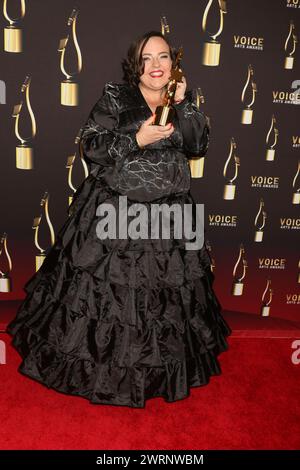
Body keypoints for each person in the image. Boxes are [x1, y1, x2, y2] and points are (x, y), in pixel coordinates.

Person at [6, 30, 231, 408]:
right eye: (147, 58)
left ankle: (156, 373)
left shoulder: (183, 100)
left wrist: (186, 103)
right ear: (135, 64)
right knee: (105, 298)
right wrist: (136, 139)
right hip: (116, 212)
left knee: (165, 300)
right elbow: (92, 146)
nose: (156, 65)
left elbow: (198, 145)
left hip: (170, 217)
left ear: (174, 64)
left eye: (163, 57)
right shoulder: (116, 96)